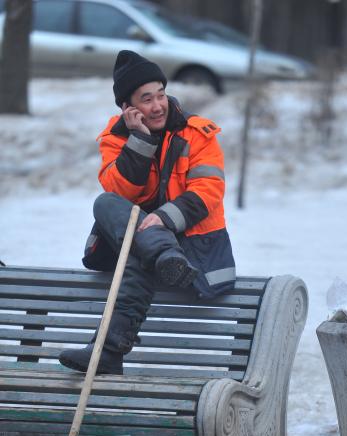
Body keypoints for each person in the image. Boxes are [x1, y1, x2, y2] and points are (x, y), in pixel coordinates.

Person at [59, 50, 235, 375]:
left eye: (161, 95)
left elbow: (209, 191)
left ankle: (107, 351)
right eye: (146, 99)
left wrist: (165, 218)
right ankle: (160, 253)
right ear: (128, 108)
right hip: (155, 255)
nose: (157, 106)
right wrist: (139, 142)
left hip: (192, 251)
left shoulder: (197, 134)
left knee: (138, 250)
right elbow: (120, 194)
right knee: (105, 204)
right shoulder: (116, 138)